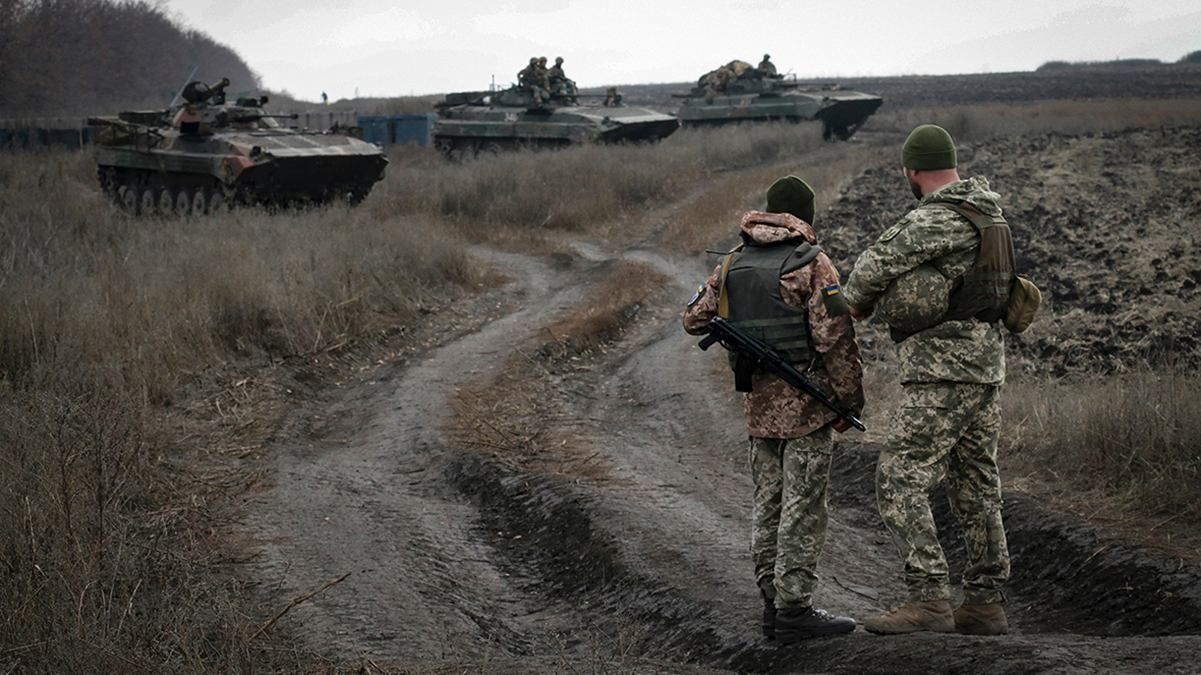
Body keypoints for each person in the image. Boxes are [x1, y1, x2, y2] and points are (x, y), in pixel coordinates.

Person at [842, 124, 1014, 637]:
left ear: (913, 171)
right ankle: (984, 604)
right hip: (985, 367)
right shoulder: (991, 214)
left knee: (897, 478)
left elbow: (870, 269)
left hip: (943, 370)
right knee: (976, 483)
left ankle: (929, 597)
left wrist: (856, 303)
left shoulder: (937, 218)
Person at [683, 176, 865, 643]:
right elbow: (835, 338)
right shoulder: (811, 262)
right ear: (805, 215)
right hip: (808, 410)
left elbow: (692, 319)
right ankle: (795, 610)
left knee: (768, 506)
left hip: (760, 411)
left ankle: (772, 603)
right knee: (802, 508)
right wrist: (848, 399)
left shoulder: (733, 262)